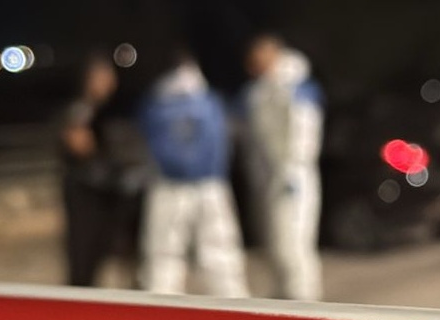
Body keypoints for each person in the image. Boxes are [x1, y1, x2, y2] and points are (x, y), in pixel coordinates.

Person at [139, 53, 249, 297]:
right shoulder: (211, 102)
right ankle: (234, 311)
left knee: (166, 257)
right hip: (202, 187)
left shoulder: (155, 104)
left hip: (178, 187)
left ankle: (163, 312)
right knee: (219, 256)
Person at [242, 34, 324, 301]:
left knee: (293, 243)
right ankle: (285, 298)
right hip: (269, 177)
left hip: (292, 175)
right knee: (275, 242)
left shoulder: (296, 86)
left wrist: (292, 169)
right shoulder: (261, 90)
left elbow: (304, 132)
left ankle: (304, 301)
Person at [58, 57, 142, 287]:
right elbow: (79, 144)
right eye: (100, 77)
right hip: (88, 196)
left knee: (127, 260)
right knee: (84, 264)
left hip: (116, 195)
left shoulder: (119, 110)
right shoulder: (81, 110)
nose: (107, 82)